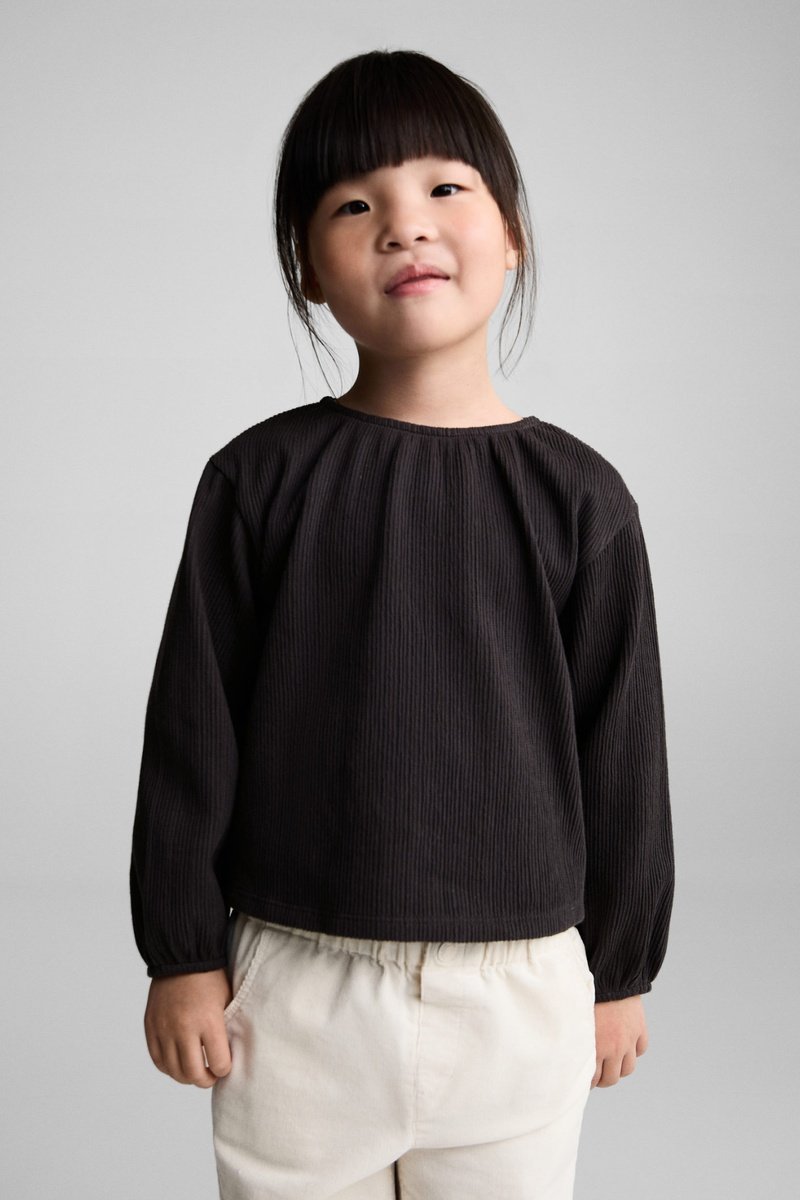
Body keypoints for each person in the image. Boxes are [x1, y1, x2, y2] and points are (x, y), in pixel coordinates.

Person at [130, 47, 675, 1200]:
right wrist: (180, 953)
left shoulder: (581, 500)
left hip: (519, 987)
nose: (403, 225)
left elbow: (621, 751)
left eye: (443, 187)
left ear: (510, 232)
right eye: (352, 204)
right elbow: (191, 732)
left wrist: (620, 970)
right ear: (305, 269)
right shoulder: (257, 481)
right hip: (297, 980)